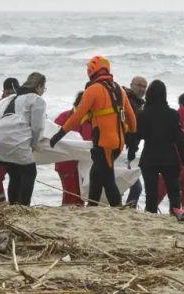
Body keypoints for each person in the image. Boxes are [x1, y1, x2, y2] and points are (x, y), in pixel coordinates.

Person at [50, 56, 137, 207]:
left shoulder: (93, 89)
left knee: (108, 179)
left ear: (91, 71)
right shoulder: (119, 89)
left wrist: (58, 135)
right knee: (95, 174)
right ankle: (92, 206)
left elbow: (77, 116)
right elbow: (132, 118)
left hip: (105, 143)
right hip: (119, 143)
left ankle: (118, 209)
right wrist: (132, 139)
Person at [0, 72, 47, 206]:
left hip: (0, 140)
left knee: (14, 174)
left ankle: (13, 205)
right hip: (17, 141)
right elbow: (37, 127)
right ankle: (24, 206)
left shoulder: (14, 98)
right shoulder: (37, 99)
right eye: (43, 88)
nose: (43, 91)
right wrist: (33, 145)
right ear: (38, 86)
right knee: (30, 172)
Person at [136, 80, 184, 213]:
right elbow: (180, 139)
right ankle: (175, 217)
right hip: (169, 158)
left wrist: (131, 152)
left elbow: (138, 135)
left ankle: (150, 218)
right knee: (174, 194)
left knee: (151, 195)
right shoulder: (172, 114)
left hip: (149, 157)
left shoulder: (143, 114)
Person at [54, 91, 92, 206]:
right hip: (66, 162)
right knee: (70, 193)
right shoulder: (64, 117)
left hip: (84, 163)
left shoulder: (91, 119)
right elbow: (55, 138)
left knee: (81, 195)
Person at [123, 76, 147, 208]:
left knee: (133, 185)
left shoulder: (140, 103)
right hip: (122, 148)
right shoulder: (127, 100)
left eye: (144, 87)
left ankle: (126, 209)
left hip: (130, 150)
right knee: (135, 186)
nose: (142, 89)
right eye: (139, 85)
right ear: (131, 85)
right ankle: (126, 210)